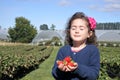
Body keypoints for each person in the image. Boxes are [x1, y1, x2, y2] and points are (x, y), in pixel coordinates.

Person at [51, 12, 100, 80]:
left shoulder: (92, 50)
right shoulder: (63, 50)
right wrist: (60, 70)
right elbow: (55, 73)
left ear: (89, 33)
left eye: (81, 29)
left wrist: (77, 68)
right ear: (69, 31)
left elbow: (94, 75)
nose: (77, 31)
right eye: (73, 28)